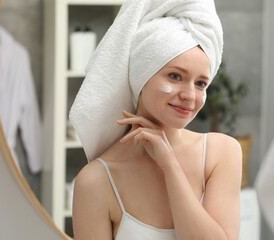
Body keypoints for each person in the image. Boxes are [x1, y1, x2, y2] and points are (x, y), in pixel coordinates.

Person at [70, 0, 242, 239]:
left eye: (201, 83)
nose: (190, 96)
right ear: (142, 75)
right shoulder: (95, 182)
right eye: (175, 76)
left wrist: (169, 165)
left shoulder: (221, 153)